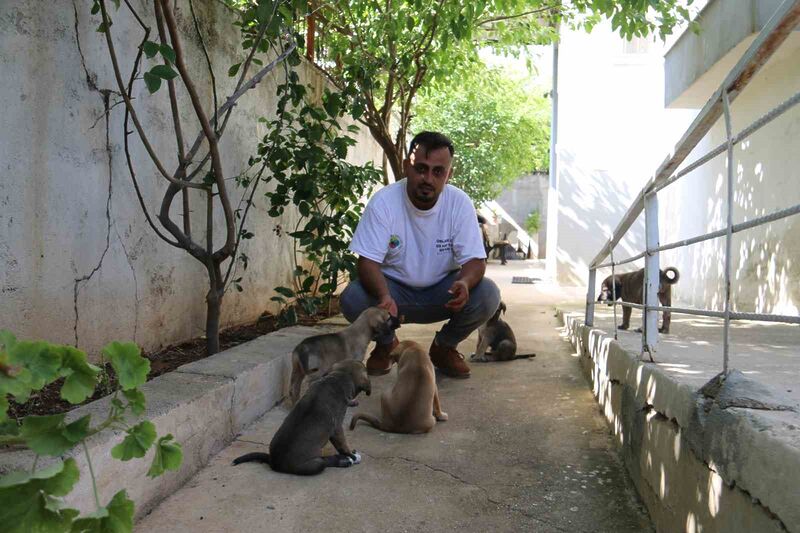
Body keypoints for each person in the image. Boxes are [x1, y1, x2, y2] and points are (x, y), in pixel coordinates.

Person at [340, 131, 501, 379]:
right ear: (407, 167)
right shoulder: (384, 202)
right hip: (392, 294)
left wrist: (465, 283)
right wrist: (383, 295)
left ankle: (444, 347)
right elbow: (368, 262)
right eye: (421, 169)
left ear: (449, 175)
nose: (428, 178)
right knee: (353, 297)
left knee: (488, 294)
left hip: (442, 293)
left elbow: (475, 261)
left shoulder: (459, 203)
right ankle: (387, 345)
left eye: (438, 171)